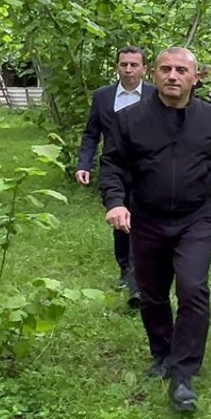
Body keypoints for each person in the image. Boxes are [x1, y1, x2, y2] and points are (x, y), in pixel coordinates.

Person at [99, 47, 211, 415]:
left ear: (195, 77)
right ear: (154, 75)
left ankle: (184, 372)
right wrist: (116, 202)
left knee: (193, 288)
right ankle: (162, 354)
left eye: (181, 70)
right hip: (146, 219)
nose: (172, 76)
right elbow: (113, 165)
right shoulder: (130, 119)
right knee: (152, 294)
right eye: (165, 69)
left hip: (195, 219)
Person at [76, 46, 153, 304]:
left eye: (134, 65)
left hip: (149, 168)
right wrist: (83, 164)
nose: (129, 70)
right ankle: (126, 268)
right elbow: (91, 133)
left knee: (142, 220)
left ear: (144, 68)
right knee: (120, 219)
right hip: (115, 168)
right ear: (117, 67)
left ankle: (140, 275)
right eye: (124, 65)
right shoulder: (103, 97)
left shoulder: (156, 95)